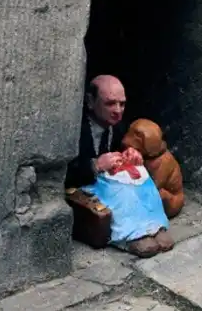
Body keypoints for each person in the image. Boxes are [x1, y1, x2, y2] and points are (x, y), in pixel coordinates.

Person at [65, 74, 173, 257]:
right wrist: (95, 165)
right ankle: (130, 235)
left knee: (142, 181)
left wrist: (131, 154)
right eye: (110, 104)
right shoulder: (76, 129)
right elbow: (65, 172)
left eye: (122, 104)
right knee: (124, 193)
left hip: (108, 180)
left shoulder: (118, 126)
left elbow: (124, 147)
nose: (117, 110)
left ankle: (154, 227)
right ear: (90, 102)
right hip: (87, 185)